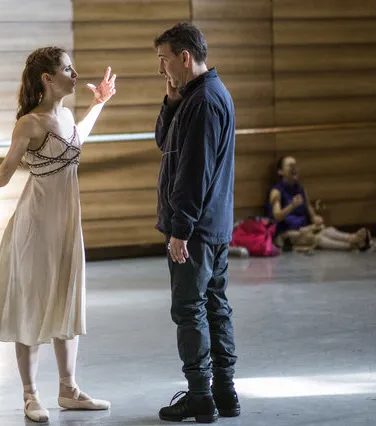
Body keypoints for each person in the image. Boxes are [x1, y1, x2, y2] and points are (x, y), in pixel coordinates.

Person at [0, 46, 116, 423]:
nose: (75, 74)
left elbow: (79, 139)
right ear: (48, 79)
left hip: (65, 225)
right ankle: (30, 396)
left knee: (66, 298)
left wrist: (100, 103)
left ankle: (69, 389)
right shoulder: (30, 123)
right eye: (67, 69)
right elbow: (3, 174)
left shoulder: (66, 117)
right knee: (30, 304)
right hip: (35, 227)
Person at [153, 23, 239, 423]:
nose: (161, 70)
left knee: (191, 310)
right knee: (215, 308)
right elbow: (164, 143)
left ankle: (201, 396)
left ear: (184, 57)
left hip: (197, 231)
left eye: (164, 61)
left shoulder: (205, 101)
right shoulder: (193, 98)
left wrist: (180, 228)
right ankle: (224, 394)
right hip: (212, 226)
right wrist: (170, 102)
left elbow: (193, 172)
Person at [267, 155, 372, 252]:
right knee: (318, 238)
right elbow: (276, 217)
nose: (294, 169)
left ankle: (352, 237)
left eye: (295, 166)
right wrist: (292, 206)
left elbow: (309, 208)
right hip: (286, 234)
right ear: (280, 171)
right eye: (290, 166)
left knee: (326, 229)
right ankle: (351, 246)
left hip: (304, 228)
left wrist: (315, 218)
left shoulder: (300, 188)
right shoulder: (276, 192)